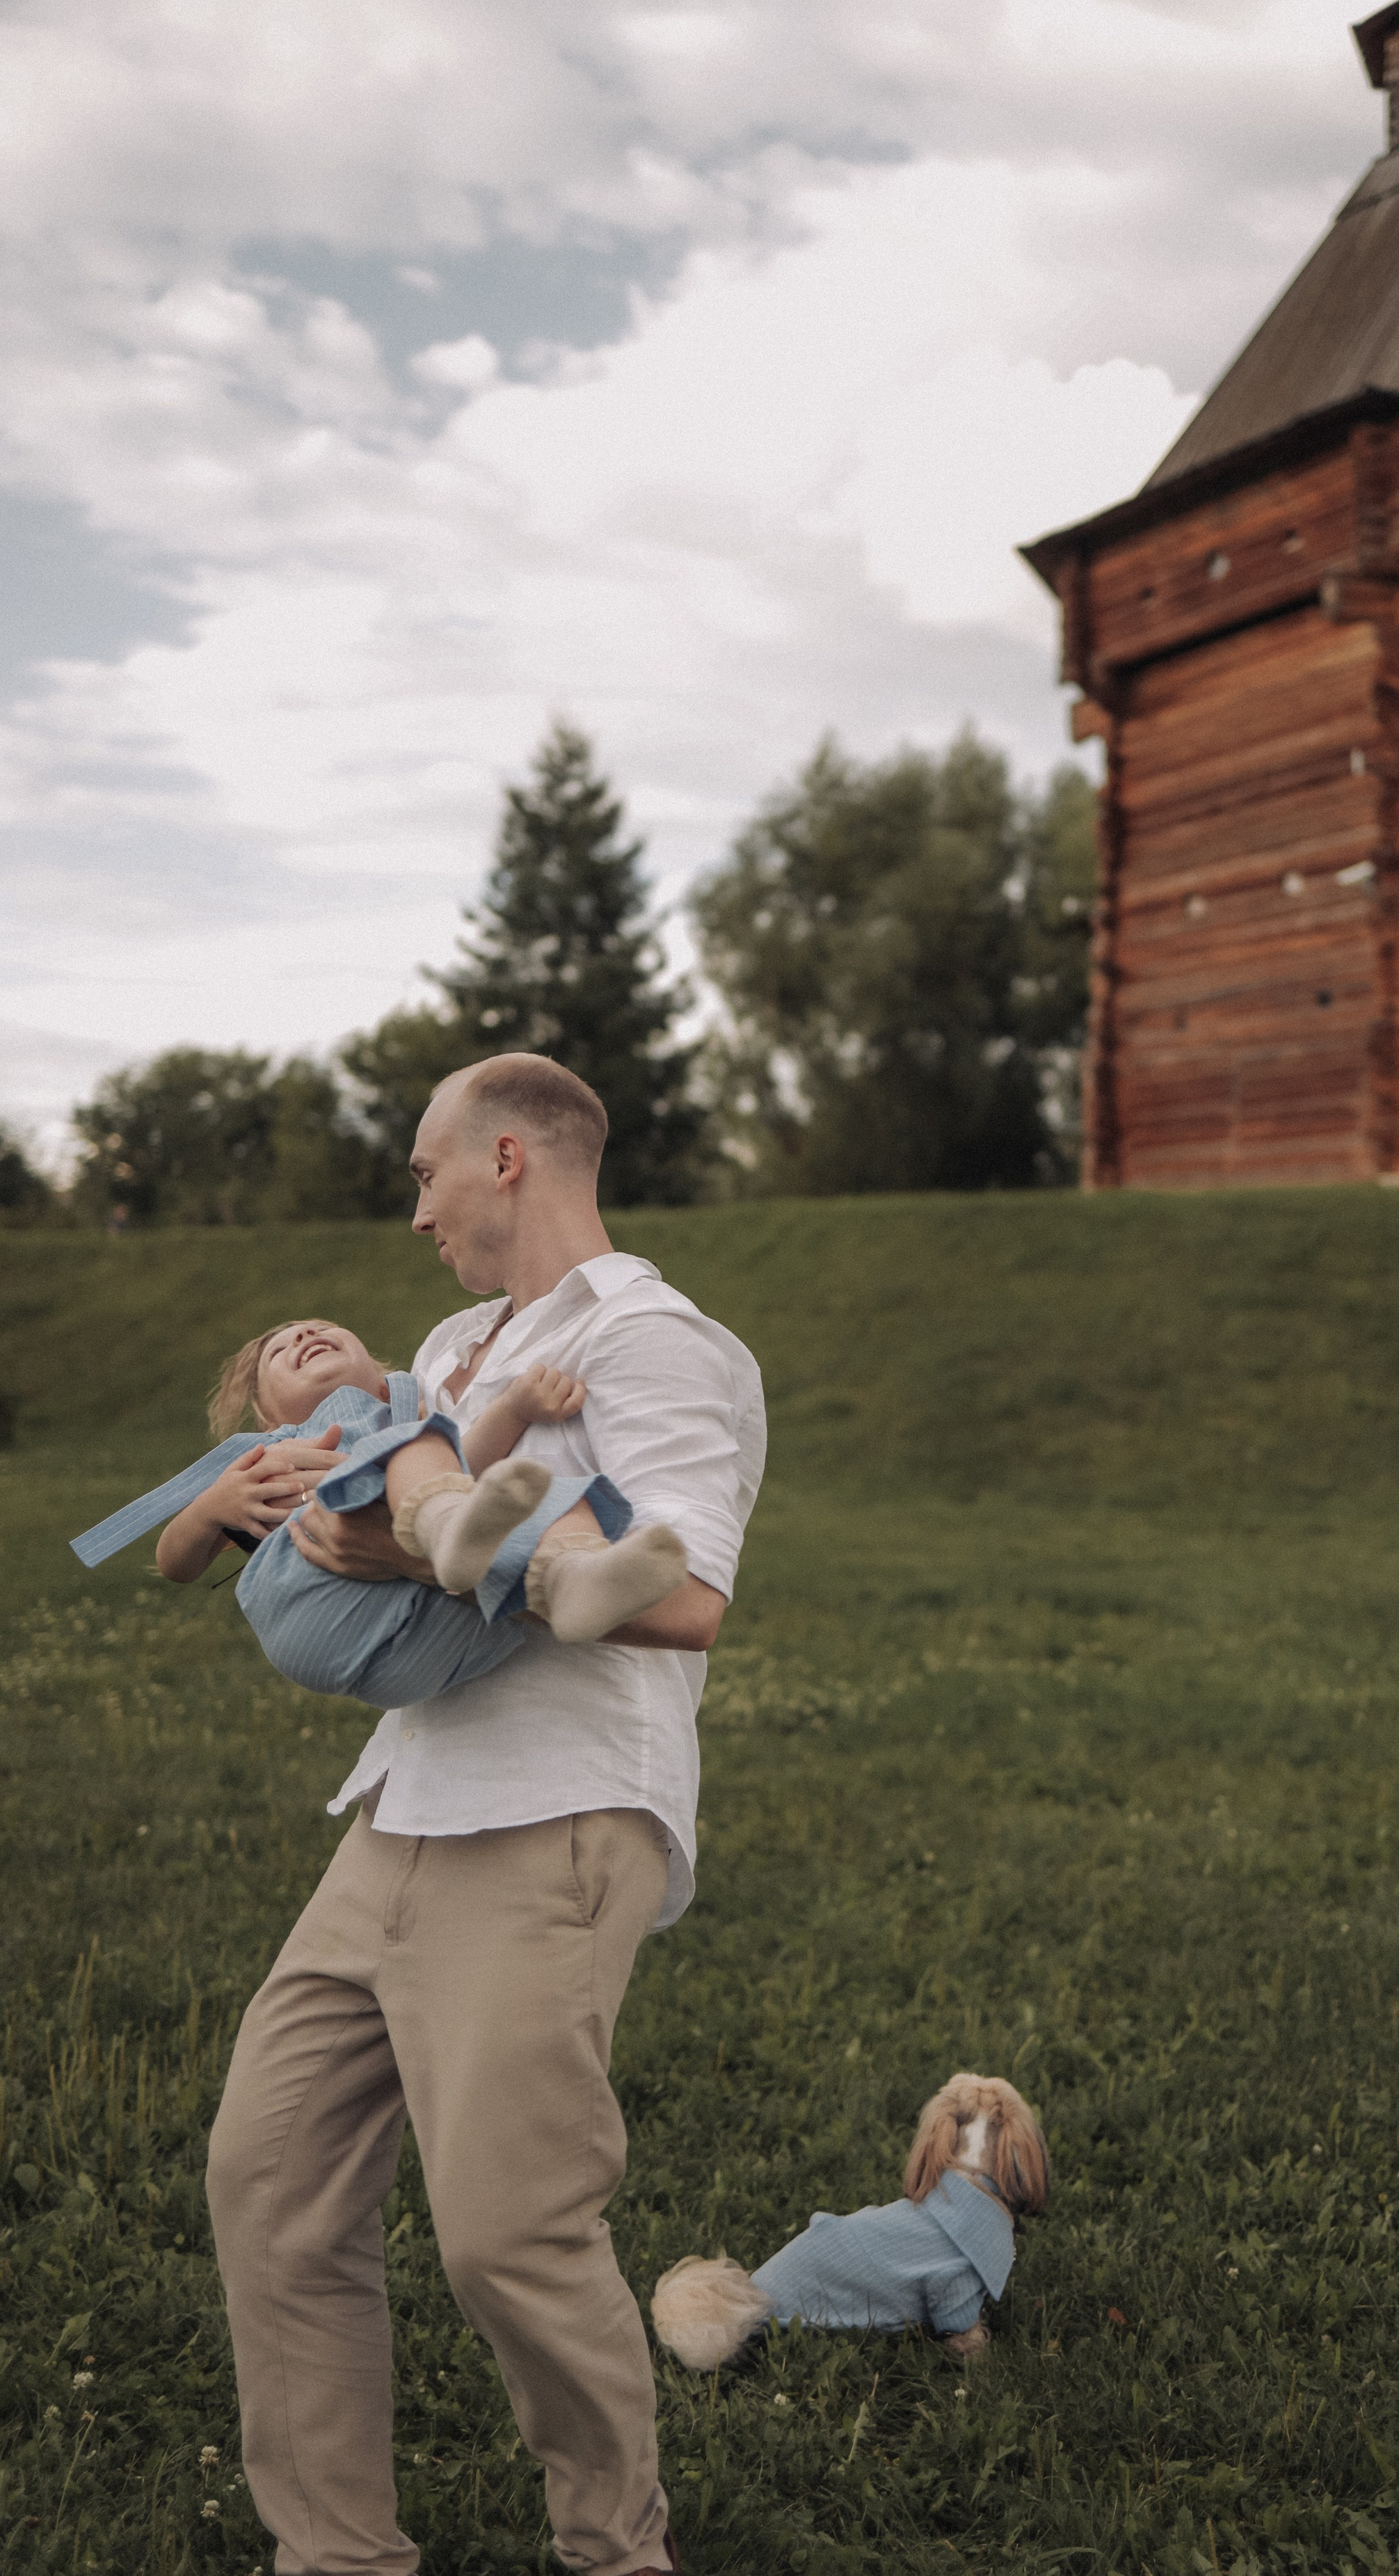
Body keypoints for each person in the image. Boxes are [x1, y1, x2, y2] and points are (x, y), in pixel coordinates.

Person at [204, 1053, 767, 2576]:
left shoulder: (657, 1343)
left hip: (557, 1814)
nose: (416, 1211)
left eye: (423, 1173)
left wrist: (418, 1559)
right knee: (270, 2182)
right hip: (400, 1805)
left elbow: (697, 1599)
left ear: (506, 1159)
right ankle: (334, 2556)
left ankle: (612, 2550)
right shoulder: (458, 1341)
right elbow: (388, 1502)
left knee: (509, 2237)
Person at [72, 1321, 688, 1702]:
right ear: (267, 1414)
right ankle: (456, 1535)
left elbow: (464, 1463)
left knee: (558, 1492)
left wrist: (516, 1407)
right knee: (418, 1454)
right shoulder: (263, 1454)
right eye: (282, 1349)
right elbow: (173, 1563)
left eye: (319, 1327)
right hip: (317, 1607)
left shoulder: (411, 1418)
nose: (304, 1336)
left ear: (382, 1374)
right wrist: (213, 1506)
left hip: (435, 1644)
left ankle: (574, 1579)